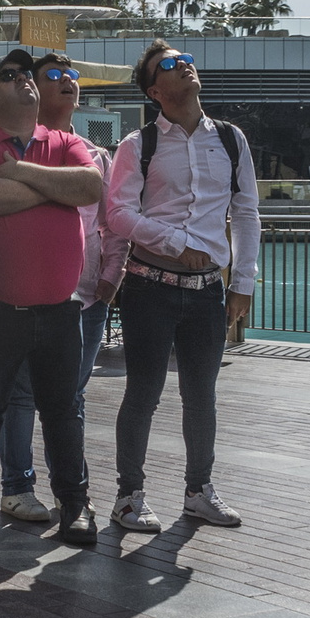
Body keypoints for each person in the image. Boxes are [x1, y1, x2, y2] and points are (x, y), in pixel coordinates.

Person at [0, 50, 103, 548]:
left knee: (63, 411)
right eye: (10, 77)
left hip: (60, 308)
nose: (27, 82)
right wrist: (54, 187)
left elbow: (91, 186)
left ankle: (75, 505)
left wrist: (17, 172)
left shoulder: (65, 140)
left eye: (27, 75)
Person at [102, 41, 260, 532]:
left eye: (185, 58)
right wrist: (173, 242)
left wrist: (244, 282)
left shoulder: (231, 139)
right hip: (149, 286)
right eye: (169, 64)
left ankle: (199, 491)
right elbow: (119, 213)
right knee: (143, 393)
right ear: (155, 89)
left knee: (202, 395)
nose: (184, 65)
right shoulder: (138, 145)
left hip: (208, 292)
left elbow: (247, 212)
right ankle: (129, 496)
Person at [0, 53, 124, 525]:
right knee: (22, 394)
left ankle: (75, 495)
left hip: (85, 296)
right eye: (53, 76)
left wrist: (110, 282)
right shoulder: (9, 149)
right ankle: (17, 487)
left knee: (70, 398)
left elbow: (112, 224)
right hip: (25, 293)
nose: (67, 82)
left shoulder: (97, 155)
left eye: (72, 77)